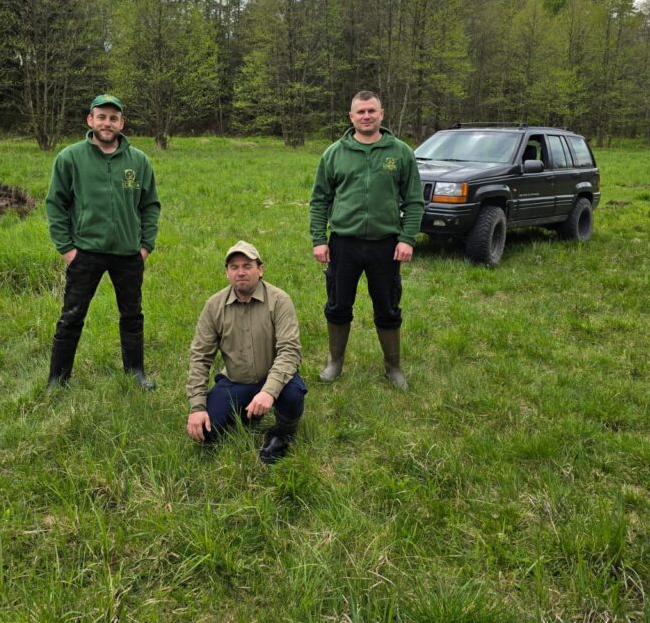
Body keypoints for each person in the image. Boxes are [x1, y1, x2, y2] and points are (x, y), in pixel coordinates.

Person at [309, 90, 425, 390]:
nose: (366, 116)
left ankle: (393, 366)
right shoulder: (334, 153)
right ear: (351, 117)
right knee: (337, 304)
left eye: (371, 111)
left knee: (387, 306)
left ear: (382, 114)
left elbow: (414, 201)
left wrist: (407, 238)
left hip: (385, 245)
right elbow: (319, 199)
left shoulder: (400, 153)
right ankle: (335, 362)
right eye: (360, 112)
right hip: (343, 244)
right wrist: (319, 239)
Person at [45, 93, 160, 391]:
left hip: (128, 253)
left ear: (121, 122)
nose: (107, 123)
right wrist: (67, 249)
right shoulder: (70, 158)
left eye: (113, 118)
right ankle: (58, 379)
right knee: (71, 316)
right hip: (85, 252)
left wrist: (146, 245)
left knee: (132, 315)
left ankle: (135, 372)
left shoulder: (139, 161)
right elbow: (56, 204)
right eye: (101, 117)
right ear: (90, 120)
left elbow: (150, 205)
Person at [186, 241, 306, 464]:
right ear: (227, 273)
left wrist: (269, 392)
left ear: (260, 269)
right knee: (206, 433)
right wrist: (197, 407)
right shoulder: (214, 306)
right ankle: (247, 413)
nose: (240, 272)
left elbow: (290, 351)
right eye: (234, 267)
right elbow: (200, 357)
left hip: (276, 379)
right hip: (236, 379)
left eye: (247, 266)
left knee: (292, 395)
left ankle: (281, 432)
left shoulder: (280, 301)